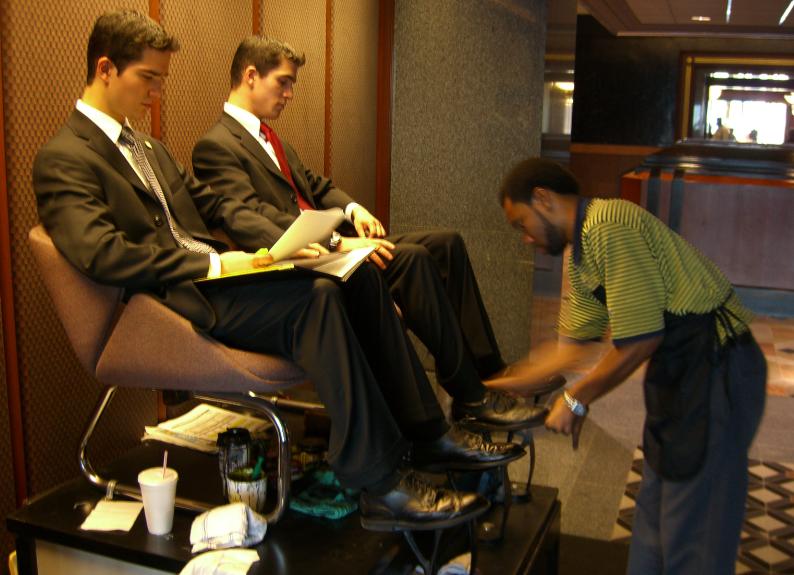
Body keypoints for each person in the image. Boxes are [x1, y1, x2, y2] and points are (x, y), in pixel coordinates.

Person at [33, 9, 525, 531]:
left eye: (161, 79)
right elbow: (102, 253)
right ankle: (381, 483)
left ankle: (426, 435)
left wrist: (286, 244)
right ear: (105, 69)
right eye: (148, 78)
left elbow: (216, 205)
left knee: (354, 275)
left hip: (222, 278)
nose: (157, 93)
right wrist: (217, 261)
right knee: (317, 300)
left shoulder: (147, 147)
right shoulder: (63, 158)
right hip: (177, 300)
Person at [192, 36, 560, 428]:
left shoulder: (270, 137)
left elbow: (314, 185)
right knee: (414, 259)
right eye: (283, 82)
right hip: (302, 261)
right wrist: (337, 241)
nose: (290, 94)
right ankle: (470, 398)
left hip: (331, 249)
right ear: (251, 76)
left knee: (446, 244)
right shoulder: (216, 146)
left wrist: (354, 209)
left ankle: (488, 373)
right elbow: (252, 217)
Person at [489, 158, 766, 574]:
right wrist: (501, 383)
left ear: (543, 199)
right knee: (654, 521)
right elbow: (572, 347)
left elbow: (640, 341)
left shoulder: (608, 224)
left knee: (696, 529)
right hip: (678, 373)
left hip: (716, 365)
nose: (525, 238)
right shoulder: (581, 250)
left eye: (521, 224)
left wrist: (576, 398)